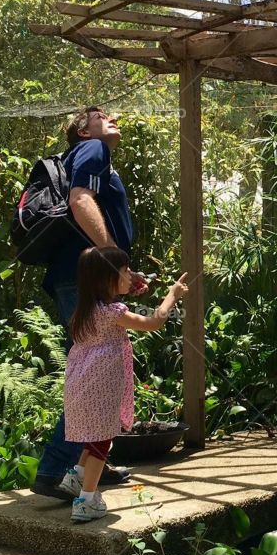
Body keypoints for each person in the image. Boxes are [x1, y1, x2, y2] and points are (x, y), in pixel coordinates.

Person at [32, 105, 149, 501]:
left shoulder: (88, 154)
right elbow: (81, 201)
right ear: (84, 131)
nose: (112, 118)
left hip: (80, 277)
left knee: (91, 373)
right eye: (101, 116)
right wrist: (116, 261)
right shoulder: (94, 149)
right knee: (92, 375)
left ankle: (88, 467)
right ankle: (56, 472)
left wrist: (122, 273)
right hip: (81, 277)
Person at [61, 246, 189, 523]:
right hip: (101, 388)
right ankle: (86, 500)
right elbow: (153, 322)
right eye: (125, 271)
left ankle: (76, 477)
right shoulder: (113, 312)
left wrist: (128, 289)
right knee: (101, 443)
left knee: (94, 436)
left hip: (80, 387)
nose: (130, 275)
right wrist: (172, 295)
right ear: (107, 279)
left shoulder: (85, 311)